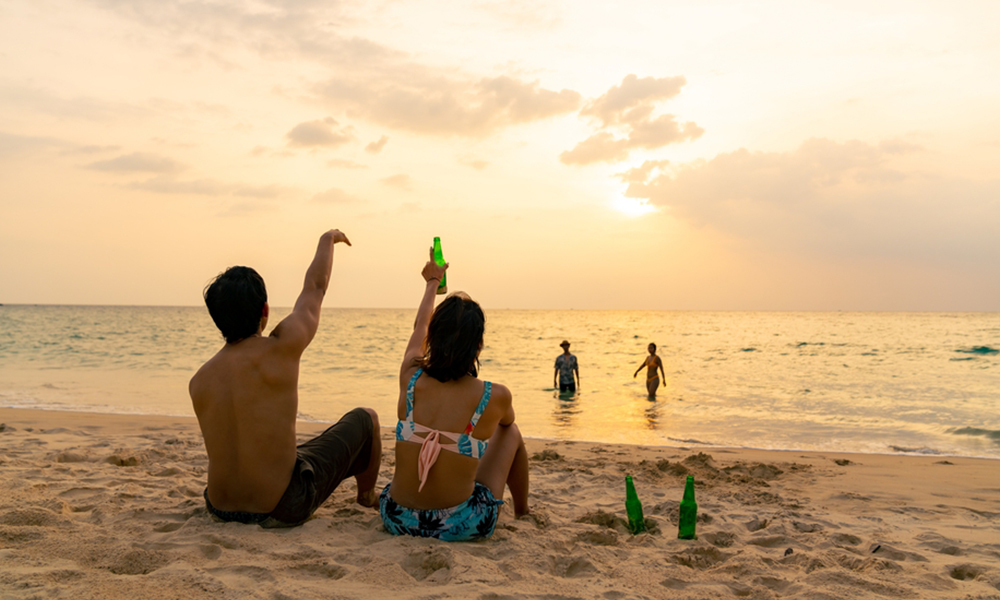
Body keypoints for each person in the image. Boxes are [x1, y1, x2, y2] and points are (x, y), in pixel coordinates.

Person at [190, 229, 381, 528]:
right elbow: (315, 288)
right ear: (264, 311)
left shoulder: (199, 380)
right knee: (366, 419)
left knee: (294, 451)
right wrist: (327, 239)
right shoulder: (282, 348)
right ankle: (367, 497)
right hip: (281, 506)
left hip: (219, 507)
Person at [379, 248, 529, 541]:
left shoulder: (411, 376)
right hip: (459, 524)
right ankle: (523, 511)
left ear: (432, 336)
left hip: (397, 516)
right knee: (510, 432)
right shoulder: (492, 395)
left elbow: (419, 326)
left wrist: (432, 282)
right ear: (479, 345)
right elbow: (507, 422)